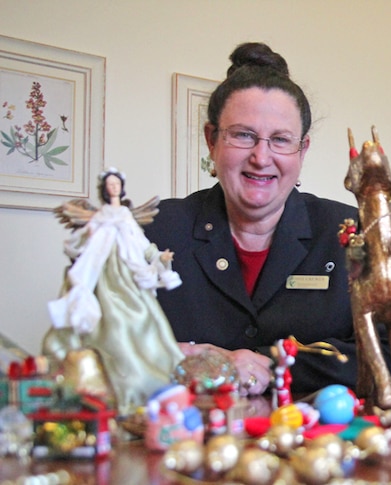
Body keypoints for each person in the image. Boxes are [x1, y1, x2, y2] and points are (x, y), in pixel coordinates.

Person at [145, 42, 371, 398]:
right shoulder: (153, 232)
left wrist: (269, 365)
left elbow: (389, 352)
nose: (261, 157)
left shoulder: (352, 232)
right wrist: (185, 356)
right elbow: (104, 347)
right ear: (212, 140)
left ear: (302, 150)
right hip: (180, 441)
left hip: (320, 445)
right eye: (243, 135)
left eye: (280, 140)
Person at [45, 168, 185, 415]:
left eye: (116, 184)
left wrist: (158, 256)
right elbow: (84, 239)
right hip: (102, 270)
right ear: (104, 189)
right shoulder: (100, 216)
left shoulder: (126, 216)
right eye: (109, 185)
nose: (113, 188)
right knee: (103, 322)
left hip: (126, 275)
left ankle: (143, 381)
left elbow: (140, 244)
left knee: (139, 320)